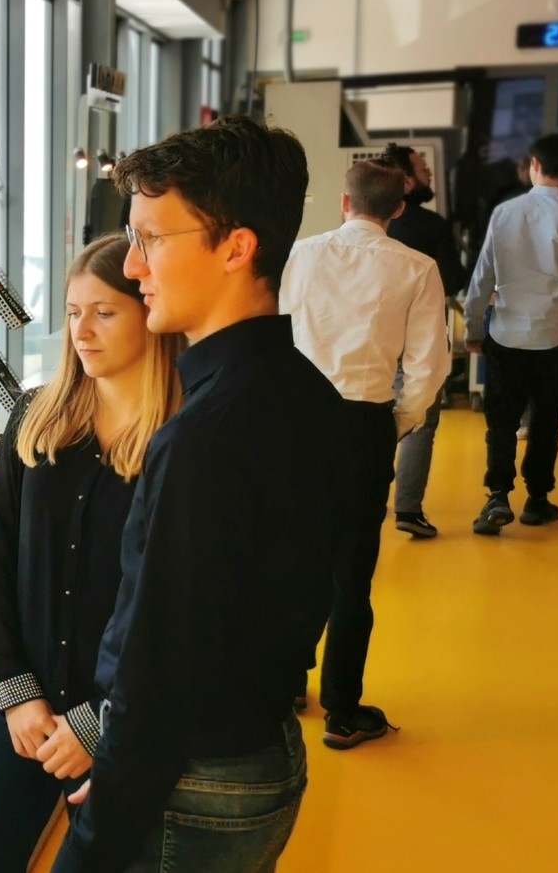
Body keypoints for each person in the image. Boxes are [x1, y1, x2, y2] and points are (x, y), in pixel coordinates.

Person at [52, 116, 352, 873]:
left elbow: (162, 660)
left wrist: (100, 828)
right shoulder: (309, 394)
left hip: (195, 778)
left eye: (152, 239)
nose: (135, 265)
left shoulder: (205, 434)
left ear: (236, 247)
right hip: (263, 748)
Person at [0, 235, 185, 872]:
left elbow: (174, 608)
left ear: (151, 315)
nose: (82, 330)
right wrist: (14, 688)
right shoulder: (36, 416)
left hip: (118, 716)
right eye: (74, 312)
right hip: (13, 698)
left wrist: (100, 721)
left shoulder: (179, 441)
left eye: (104, 312)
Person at [282, 157, 449, 748]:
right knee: (352, 573)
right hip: (363, 422)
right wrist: (398, 422)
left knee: (291, 555)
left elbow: (271, 331)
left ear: (344, 202)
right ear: (399, 208)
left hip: (296, 418)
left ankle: (286, 683)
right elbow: (428, 366)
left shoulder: (298, 255)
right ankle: (343, 711)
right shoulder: (417, 268)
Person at [464, 132, 558, 536]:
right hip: (555, 334)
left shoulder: (505, 212)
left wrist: (473, 326)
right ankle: (538, 500)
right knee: (545, 420)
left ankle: (497, 496)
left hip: (507, 332)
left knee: (501, 420)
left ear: (534, 166)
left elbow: (483, 274)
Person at [383, 142, 464, 537]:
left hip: (374, 336)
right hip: (420, 335)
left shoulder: (374, 226)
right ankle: (408, 509)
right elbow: (453, 279)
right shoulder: (432, 226)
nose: (429, 173)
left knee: (371, 412)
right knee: (420, 420)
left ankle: (368, 495)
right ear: (408, 181)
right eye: (423, 168)